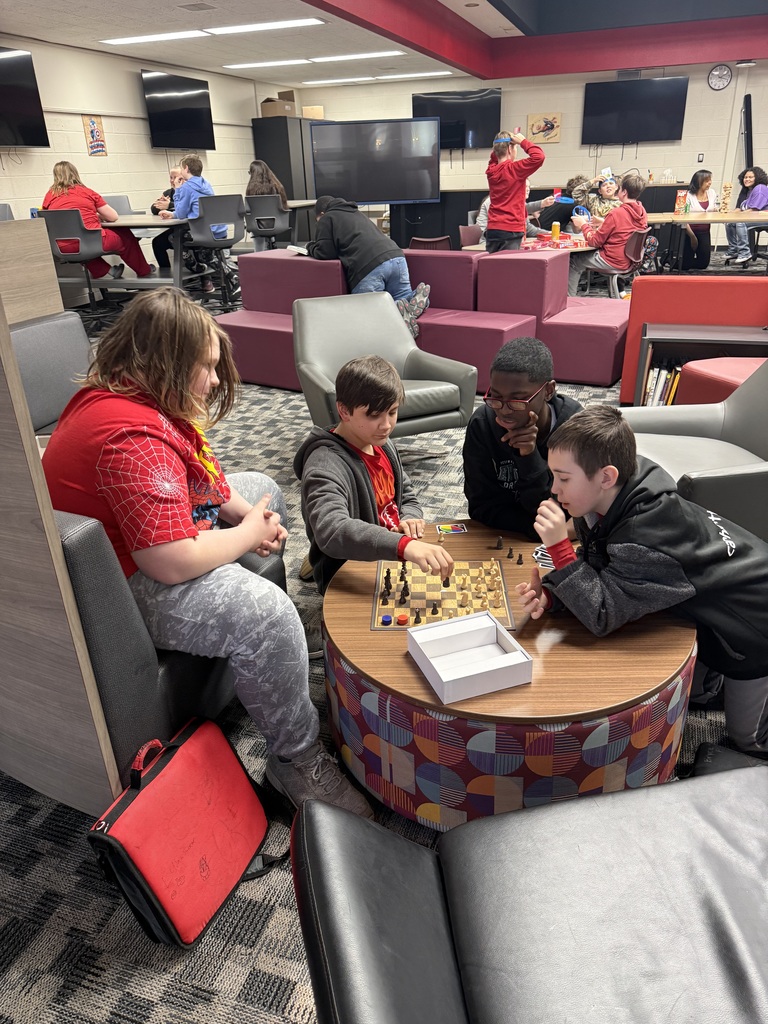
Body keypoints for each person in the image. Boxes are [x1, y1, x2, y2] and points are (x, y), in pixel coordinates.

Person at [41, 288, 372, 818]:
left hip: (140, 542)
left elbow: (202, 479)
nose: (216, 380)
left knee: (262, 488)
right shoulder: (131, 439)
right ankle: (296, 761)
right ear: (168, 364)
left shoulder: (135, 398)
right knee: (268, 617)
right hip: (121, 585)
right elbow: (168, 561)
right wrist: (244, 536)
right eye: (207, 367)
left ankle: (264, 673)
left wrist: (244, 516)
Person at [517, 405, 768, 757]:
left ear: (606, 476)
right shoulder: (610, 497)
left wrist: (560, 549)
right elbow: (603, 575)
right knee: (696, 694)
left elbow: (603, 614)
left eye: (563, 478)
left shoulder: (644, 537)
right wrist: (553, 595)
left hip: (755, 629)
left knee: (749, 739)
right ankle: (714, 678)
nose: (554, 489)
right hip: (712, 611)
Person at [294, 355, 454, 594]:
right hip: (351, 565)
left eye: (392, 412)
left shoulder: (382, 444)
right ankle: (316, 561)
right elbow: (332, 529)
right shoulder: (325, 464)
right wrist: (403, 545)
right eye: (374, 415)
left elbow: (406, 495)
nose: (386, 425)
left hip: (389, 550)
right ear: (344, 411)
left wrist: (409, 516)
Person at [463, 338, 582, 538]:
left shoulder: (576, 428)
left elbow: (568, 513)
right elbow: (480, 507)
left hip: (562, 542)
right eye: (496, 397)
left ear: (548, 391)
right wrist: (536, 529)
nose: (504, 410)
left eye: (518, 400)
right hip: (506, 535)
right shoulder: (482, 423)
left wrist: (529, 456)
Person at [306, 196, 430, 338]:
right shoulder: (357, 213)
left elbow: (325, 252)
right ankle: (411, 301)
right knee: (402, 299)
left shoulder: (327, 218)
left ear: (321, 214)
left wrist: (310, 247)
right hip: (396, 257)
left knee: (368, 314)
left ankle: (396, 311)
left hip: (368, 265)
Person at [41, 161, 154, 280]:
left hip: (61, 247)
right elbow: (113, 217)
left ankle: (109, 270)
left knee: (79, 244)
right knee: (124, 235)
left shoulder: (49, 196)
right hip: (93, 242)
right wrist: (96, 215)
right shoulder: (86, 192)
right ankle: (144, 271)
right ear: (75, 174)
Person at [568, 173, 648, 296]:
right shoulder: (641, 210)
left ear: (624, 192)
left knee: (574, 261)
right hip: (631, 261)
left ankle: (570, 300)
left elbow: (595, 241)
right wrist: (603, 222)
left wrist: (583, 224)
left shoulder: (616, 213)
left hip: (613, 260)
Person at [158, 154, 226, 294]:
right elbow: (190, 209)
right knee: (183, 236)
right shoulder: (205, 183)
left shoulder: (186, 187)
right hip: (216, 230)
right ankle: (210, 273)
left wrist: (177, 189)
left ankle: (195, 267)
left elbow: (182, 213)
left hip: (200, 233)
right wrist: (172, 214)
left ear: (186, 168)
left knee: (174, 238)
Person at [484, 130, 545, 253]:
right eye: (515, 147)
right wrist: (523, 141)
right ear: (510, 149)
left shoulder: (491, 171)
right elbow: (539, 156)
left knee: (492, 269)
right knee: (508, 270)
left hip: (493, 228)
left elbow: (494, 158)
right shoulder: (514, 169)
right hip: (511, 230)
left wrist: (500, 146)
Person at [723, 166, 768, 264]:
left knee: (740, 222)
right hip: (752, 217)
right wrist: (729, 215)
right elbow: (739, 208)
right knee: (729, 223)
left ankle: (745, 252)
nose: (747, 179)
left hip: (763, 218)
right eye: (745, 177)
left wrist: (738, 216)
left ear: (758, 178)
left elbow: (754, 209)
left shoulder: (760, 188)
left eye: (750, 177)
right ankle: (734, 249)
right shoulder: (746, 190)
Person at [681, 169, 718, 271]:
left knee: (703, 264)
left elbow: (713, 209)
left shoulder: (712, 193)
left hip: (704, 231)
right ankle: (668, 260)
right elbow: (683, 218)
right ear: (698, 182)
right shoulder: (688, 195)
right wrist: (692, 237)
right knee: (685, 266)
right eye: (707, 180)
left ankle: (684, 261)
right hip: (689, 231)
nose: (710, 183)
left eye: (710, 180)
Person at [150, 166, 183, 269]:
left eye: (175, 177)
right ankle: (166, 274)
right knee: (157, 242)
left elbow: (186, 208)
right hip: (174, 230)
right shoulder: (169, 193)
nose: (172, 181)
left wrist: (170, 205)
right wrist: (160, 204)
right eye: (171, 177)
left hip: (189, 229)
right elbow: (153, 209)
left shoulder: (188, 191)